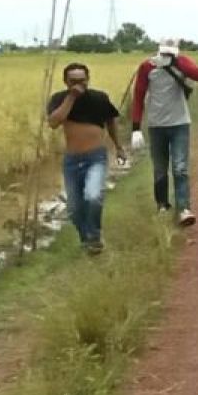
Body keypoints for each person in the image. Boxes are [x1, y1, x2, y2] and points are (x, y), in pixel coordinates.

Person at [47, 62, 126, 254]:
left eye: (82, 81)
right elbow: (54, 122)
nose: (78, 85)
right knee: (74, 208)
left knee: (93, 196)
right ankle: (86, 240)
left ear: (88, 80)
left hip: (95, 157)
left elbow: (111, 122)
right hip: (72, 160)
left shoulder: (99, 98)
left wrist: (119, 147)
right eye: (73, 81)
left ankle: (95, 237)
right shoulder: (59, 99)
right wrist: (71, 98)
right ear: (65, 82)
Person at [130, 38, 198, 226]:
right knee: (160, 169)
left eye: (170, 53)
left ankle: (184, 209)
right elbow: (138, 96)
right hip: (156, 125)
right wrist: (136, 128)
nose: (166, 56)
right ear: (158, 50)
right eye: (164, 53)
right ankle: (162, 205)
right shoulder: (147, 67)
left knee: (180, 168)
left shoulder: (182, 62)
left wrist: (176, 62)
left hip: (180, 123)